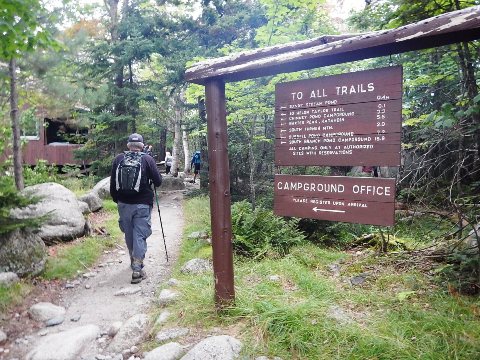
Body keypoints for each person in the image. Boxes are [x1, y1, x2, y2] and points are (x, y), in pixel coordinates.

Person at [110, 133, 162, 284]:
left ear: (128, 145)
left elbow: (113, 183)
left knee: (129, 233)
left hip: (123, 203)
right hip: (142, 204)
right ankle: (137, 269)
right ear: (142, 146)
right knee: (139, 234)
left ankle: (133, 260)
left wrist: (117, 199)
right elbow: (158, 182)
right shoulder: (147, 159)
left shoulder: (119, 159)